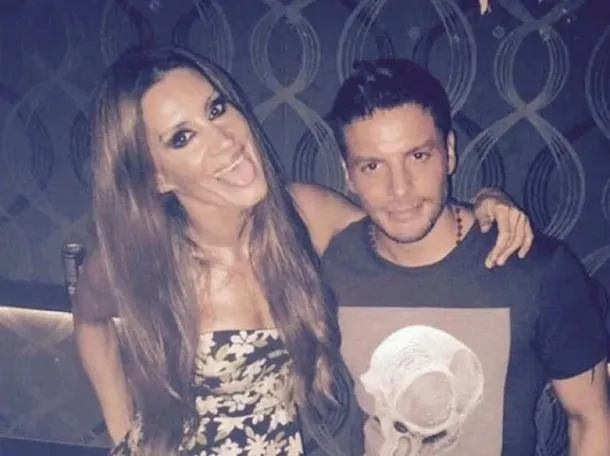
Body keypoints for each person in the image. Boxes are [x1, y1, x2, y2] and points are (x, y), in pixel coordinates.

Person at [72, 45, 534, 456]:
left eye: (216, 109)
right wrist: (122, 431)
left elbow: (405, 221)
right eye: (182, 137)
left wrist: (488, 200)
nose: (225, 141)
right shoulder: (142, 260)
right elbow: (90, 320)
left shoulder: (303, 215)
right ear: (157, 177)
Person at [319, 58, 610, 455]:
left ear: (449, 153)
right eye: (372, 166)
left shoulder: (535, 269)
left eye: (418, 156)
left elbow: (590, 418)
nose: (399, 189)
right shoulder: (332, 264)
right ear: (348, 174)